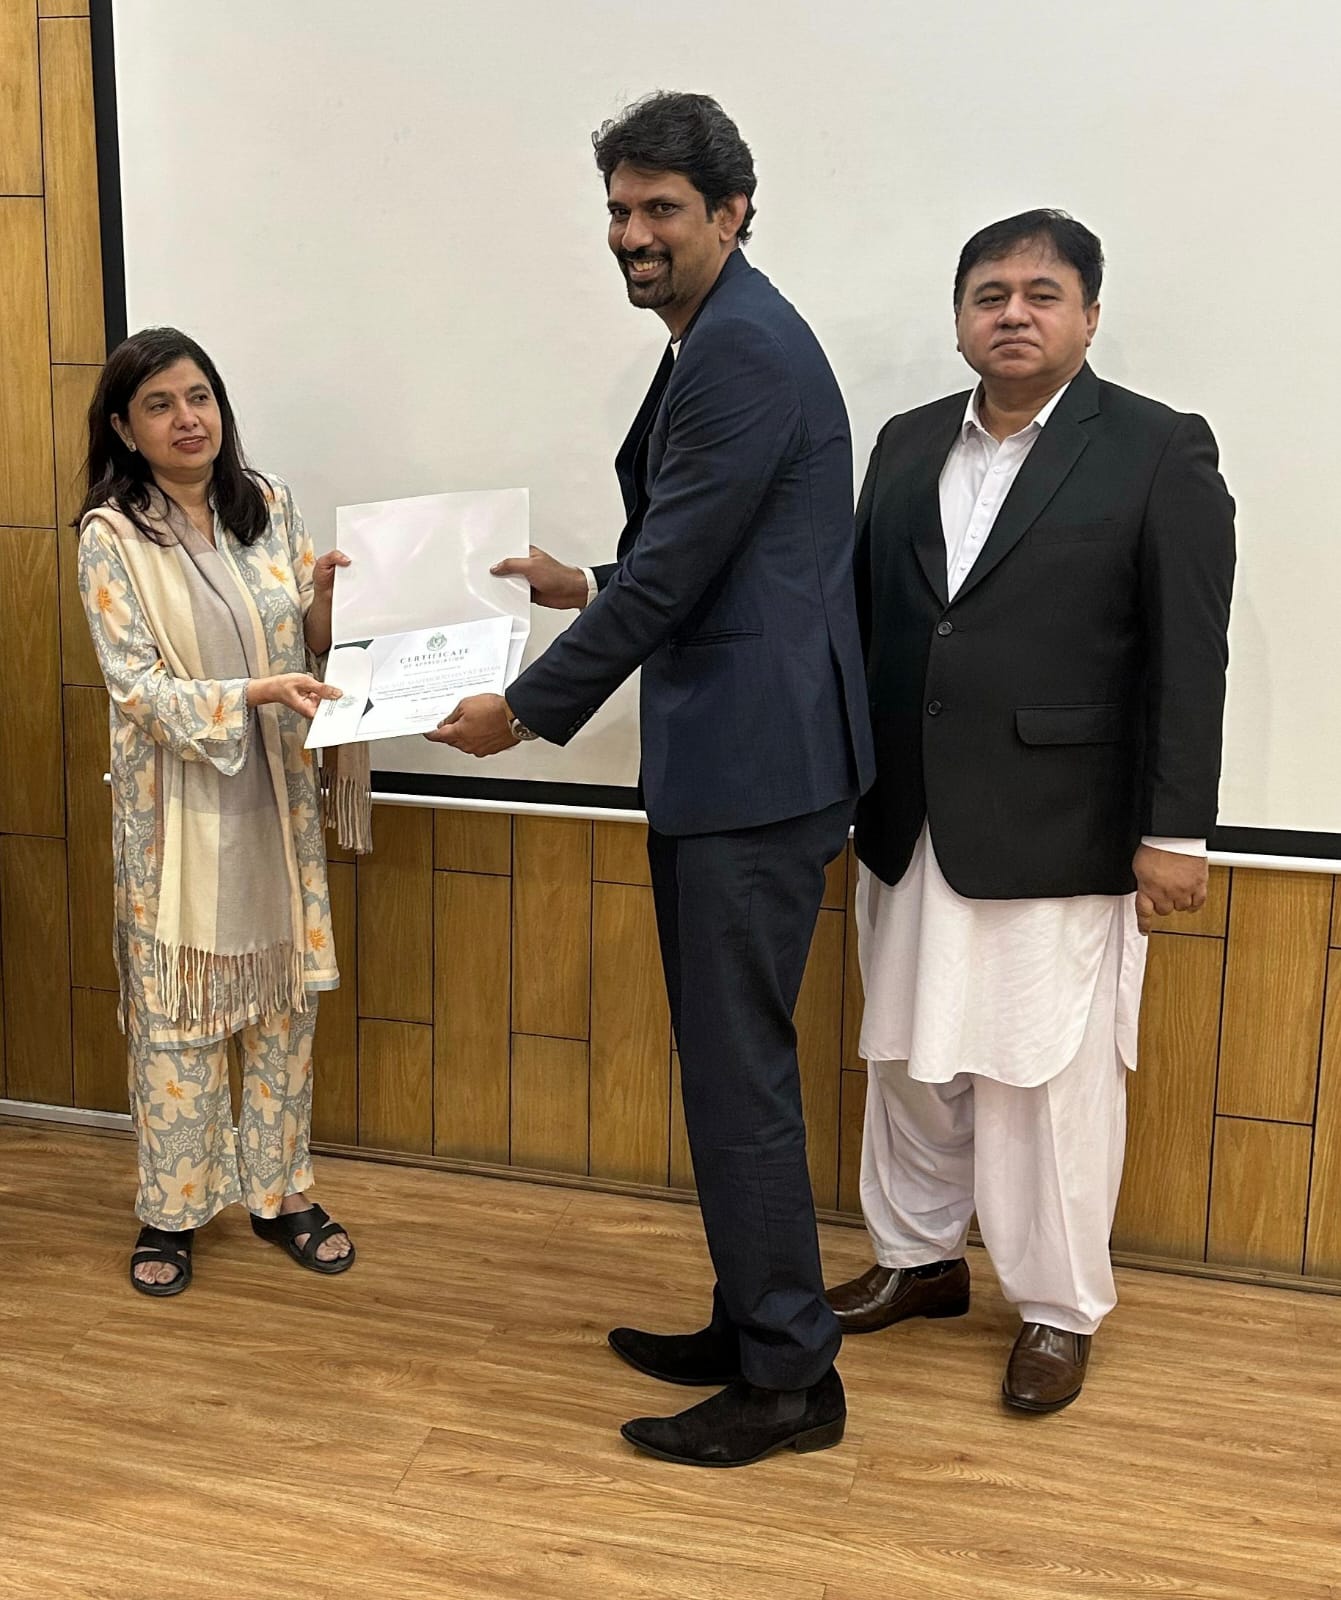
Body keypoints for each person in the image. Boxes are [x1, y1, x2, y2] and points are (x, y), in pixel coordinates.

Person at [430, 92, 874, 1466]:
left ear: (731, 214)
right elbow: (717, 548)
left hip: (754, 771)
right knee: (730, 1069)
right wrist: (588, 582)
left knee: (740, 1078)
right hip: (741, 762)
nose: (632, 233)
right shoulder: (721, 335)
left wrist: (527, 707)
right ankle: (754, 1323)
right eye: (619, 208)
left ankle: (790, 1380)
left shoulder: (740, 348)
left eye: (661, 208)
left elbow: (681, 572)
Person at [826, 211, 1235, 1411]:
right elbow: (854, 615)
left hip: (1061, 825)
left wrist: (1177, 831)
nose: (1013, 312)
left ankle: (1058, 1307)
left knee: (1045, 1081)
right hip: (906, 818)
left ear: (1089, 316)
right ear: (960, 318)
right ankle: (918, 1258)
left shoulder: (1157, 447)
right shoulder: (907, 441)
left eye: (1042, 293)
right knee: (905, 1057)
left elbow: (1189, 653)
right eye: (989, 293)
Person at [76, 327, 364, 1297]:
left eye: (198, 396)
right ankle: (173, 1208)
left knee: (282, 1010)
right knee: (178, 1018)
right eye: (159, 405)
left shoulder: (268, 504)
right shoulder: (113, 536)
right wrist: (254, 692)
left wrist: (329, 601)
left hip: (274, 802)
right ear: (126, 428)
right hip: (176, 819)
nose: (187, 419)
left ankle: (281, 1193)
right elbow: (137, 688)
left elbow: (308, 642)